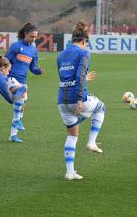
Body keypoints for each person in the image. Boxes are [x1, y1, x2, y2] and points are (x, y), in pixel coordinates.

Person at [57, 21, 106, 180]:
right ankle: (92, 142)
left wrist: (84, 80)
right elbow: (78, 76)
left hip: (62, 100)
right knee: (101, 108)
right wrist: (79, 99)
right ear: (84, 41)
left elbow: (66, 77)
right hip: (76, 98)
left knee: (72, 135)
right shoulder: (84, 53)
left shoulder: (61, 55)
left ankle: (69, 172)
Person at [5, 23, 44, 143]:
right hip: (11, 78)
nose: (33, 39)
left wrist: (39, 71)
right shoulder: (15, 46)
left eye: (35, 37)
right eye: (31, 36)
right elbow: (5, 61)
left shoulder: (33, 50)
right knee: (22, 94)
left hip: (22, 81)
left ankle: (13, 135)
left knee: (21, 108)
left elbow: (33, 68)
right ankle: (17, 120)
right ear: (25, 34)